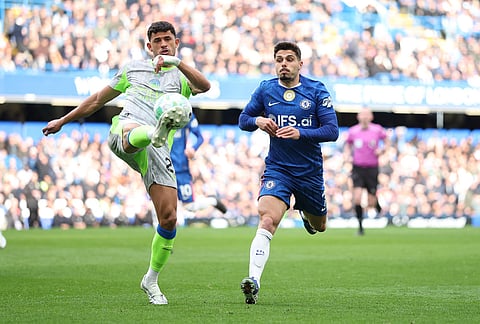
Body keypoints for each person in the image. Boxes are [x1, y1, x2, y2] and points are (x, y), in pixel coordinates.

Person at [42, 21, 211, 305]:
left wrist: (177, 63)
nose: (163, 45)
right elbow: (97, 100)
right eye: (157, 41)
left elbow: (204, 86)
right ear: (149, 46)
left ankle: (151, 280)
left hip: (158, 150)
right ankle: (152, 132)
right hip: (126, 129)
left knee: (169, 218)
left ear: (176, 42)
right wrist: (63, 121)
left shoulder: (181, 77)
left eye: (168, 39)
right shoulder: (133, 68)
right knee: (132, 133)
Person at [237, 41, 339, 304]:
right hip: (278, 169)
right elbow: (243, 119)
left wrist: (300, 133)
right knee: (268, 220)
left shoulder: (316, 91)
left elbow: (332, 131)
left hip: (309, 173)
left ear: (299, 64)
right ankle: (253, 281)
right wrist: (257, 120)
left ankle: (306, 213)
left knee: (320, 226)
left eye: (289, 59)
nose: (284, 63)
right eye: (279, 59)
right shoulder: (266, 89)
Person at [170, 113, 227, 225]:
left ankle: (212, 200)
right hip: (162, 166)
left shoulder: (186, 113)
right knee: (159, 202)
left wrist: (193, 148)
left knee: (190, 206)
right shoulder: (160, 109)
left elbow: (200, 137)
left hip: (181, 167)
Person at [345, 107, 386, 236]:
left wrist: (383, 150)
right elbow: (347, 144)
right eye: (362, 115)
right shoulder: (353, 131)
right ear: (358, 117)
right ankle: (360, 227)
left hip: (372, 168)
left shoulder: (377, 129)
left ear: (371, 117)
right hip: (357, 168)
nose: (364, 117)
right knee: (357, 198)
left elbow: (387, 140)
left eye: (366, 115)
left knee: (370, 202)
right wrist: (347, 155)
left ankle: (376, 202)